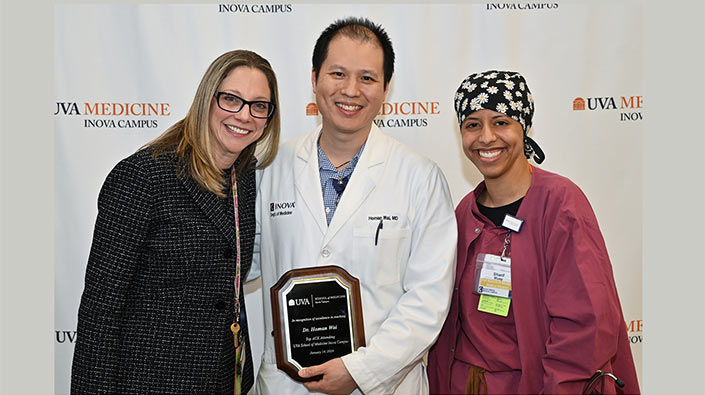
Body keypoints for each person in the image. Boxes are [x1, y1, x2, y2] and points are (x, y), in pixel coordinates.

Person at [251, 17, 457, 394]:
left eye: (367, 78)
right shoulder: (270, 169)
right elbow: (241, 263)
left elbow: (428, 299)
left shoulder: (420, 177)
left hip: (382, 384)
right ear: (314, 79)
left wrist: (362, 370)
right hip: (286, 383)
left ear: (385, 88)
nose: (351, 91)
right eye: (338, 73)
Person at [70, 49, 280, 394]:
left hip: (220, 379)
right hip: (145, 383)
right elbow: (100, 313)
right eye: (231, 99)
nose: (244, 115)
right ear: (206, 99)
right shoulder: (142, 177)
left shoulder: (245, 177)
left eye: (259, 105)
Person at [427, 70, 640, 394]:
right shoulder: (463, 213)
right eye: (472, 124)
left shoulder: (560, 205)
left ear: (522, 128)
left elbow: (586, 327)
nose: (485, 137)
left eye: (500, 122)